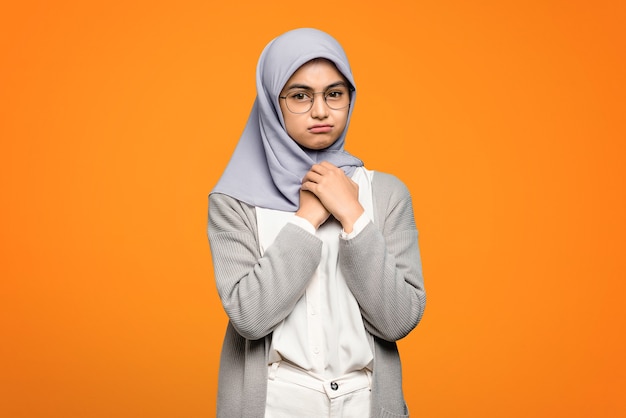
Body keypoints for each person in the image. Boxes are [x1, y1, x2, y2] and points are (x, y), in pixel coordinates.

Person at [207, 27, 426, 418]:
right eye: (300, 96)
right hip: (274, 404)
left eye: (334, 94)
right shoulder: (234, 201)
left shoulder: (386, 194)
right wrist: (307, 218)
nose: (321, 110)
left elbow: (398, 319)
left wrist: (353, 216)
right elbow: (249, 316)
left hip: (366, 402)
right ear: (272, 102)